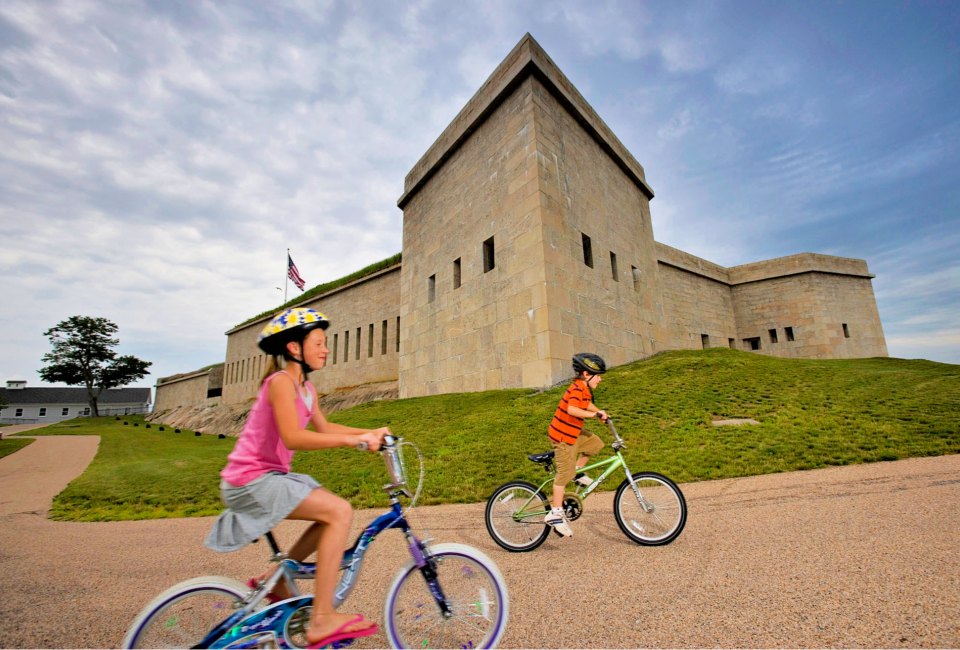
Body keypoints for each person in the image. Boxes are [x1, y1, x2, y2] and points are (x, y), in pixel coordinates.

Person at [204, 307, 388, 649]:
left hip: (268, 477)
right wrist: (353, 440)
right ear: (293, 348)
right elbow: (293, 437)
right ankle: (320, 620)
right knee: (339, 512)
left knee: (327, 516)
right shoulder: (280, 383)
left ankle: (277, 583)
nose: (326, 349)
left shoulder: (306, 388)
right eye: (318, 342)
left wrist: (370, 431)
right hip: (250, 480)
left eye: (325, 343)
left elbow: (324, 427)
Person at [544, 352, 609, 537]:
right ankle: (555, 514)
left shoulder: (583, 388)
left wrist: (600, 412)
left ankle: (577, 472)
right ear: (587, 375)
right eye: (599, 376)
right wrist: (594, 415)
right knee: (563, 475)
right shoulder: (576, 388)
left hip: (573, 433)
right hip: (563, 437)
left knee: (595, 443)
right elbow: (572, 409)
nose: (601, 380)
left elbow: (586, 404)